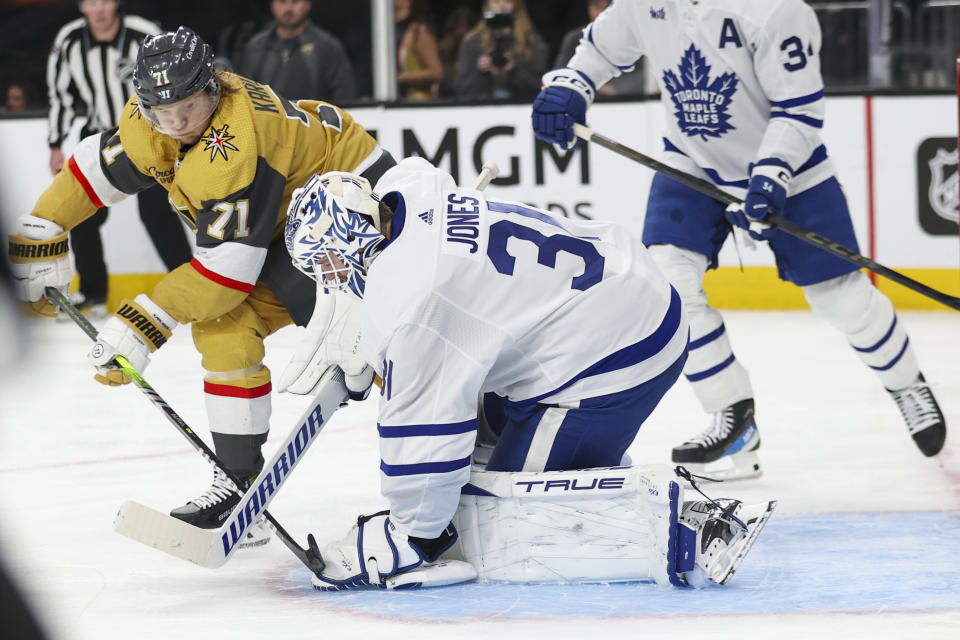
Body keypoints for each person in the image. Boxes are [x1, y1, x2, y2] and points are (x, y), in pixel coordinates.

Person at [275, 156, 774, 589]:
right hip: (618, 288)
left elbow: (424, 433)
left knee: (507, 517)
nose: (332, 280)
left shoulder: (415, 305)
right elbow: (416, 226)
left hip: (617, 353)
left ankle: (690, 526)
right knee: (478, 429)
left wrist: (407, 535)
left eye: (329, 266)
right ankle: (577, 456)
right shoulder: (410, 188)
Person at [9, 26, 396, 545]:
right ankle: (239, 486)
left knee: (387, 350)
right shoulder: (154, 121)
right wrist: (45, 225)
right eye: (163, 114)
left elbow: (224, 275)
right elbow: (94, 171)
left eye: (190, 106)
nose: (179, 124)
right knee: (223, 328)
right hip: (289, 226)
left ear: (212, 87)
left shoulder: (234, 142)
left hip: (356, 214)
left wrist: (142, 323)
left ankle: (482, 436)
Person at [531, 0, 947, 480]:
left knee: (844, 302)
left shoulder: (775, 11)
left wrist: (770, 175)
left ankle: (906, 382)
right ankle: (733, 415)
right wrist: (572, 83)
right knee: (667, 286)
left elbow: (799, 108)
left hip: (792, 172)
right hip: (691, 161)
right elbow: (600, 47)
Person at [46, 0, 193, 318]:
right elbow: (60, 94)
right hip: (100, 138)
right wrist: (55, 143)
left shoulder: (144, 34)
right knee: (83, 216)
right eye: (90, 2)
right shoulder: (69, 39)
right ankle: (93, 294)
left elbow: (174, 81)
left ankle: (190, 289)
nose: (98, 9)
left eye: (104, 1)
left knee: (157, 214)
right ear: (81, 6)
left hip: (150, 135)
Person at [240, 0, 356, 102]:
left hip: (314, 123)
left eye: (295, 1)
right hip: (267, 124)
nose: (288, 8)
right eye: (282, 1)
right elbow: (244, 95)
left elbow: (344, 96)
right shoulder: (256, 48)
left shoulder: (327, 47)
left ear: (307, 5)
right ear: (273, 6)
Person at [454, 0, 548, 101]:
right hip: (482, 107)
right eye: (496, 1)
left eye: (508, 1)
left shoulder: (531, 42)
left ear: (517, 5)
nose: (502, 6)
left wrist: (516, 68)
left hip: (521, 106)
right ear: (487, 5)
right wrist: (479, 70)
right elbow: (461, 90)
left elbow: (542, 86)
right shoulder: (472, 42)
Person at [553, 0, 648, 98]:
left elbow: (644, 75)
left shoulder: (632, 36)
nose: (601, 13)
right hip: (585, 96)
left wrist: (616, 87)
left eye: (606, 8)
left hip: (626, 99)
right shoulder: (574, 39)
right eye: (597, 7)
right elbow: (561, 70)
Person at [394, 0, 442, 101]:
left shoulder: (418, 31)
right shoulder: (389, 29)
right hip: (401, 100)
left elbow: (436, 72)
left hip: (420, 102)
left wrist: (401, 78)